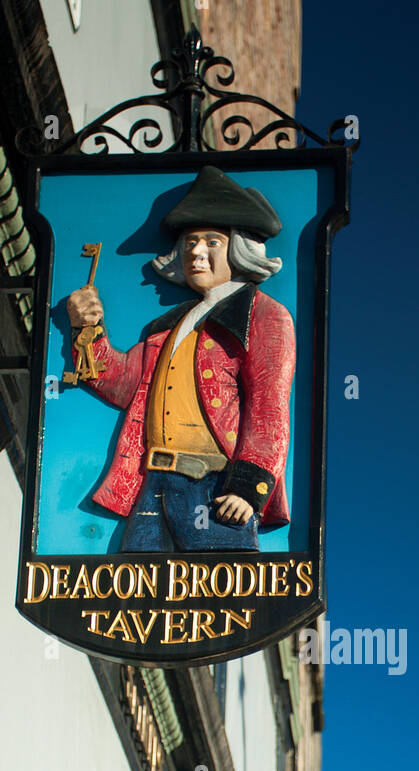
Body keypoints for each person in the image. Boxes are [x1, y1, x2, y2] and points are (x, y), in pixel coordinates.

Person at [66, 166, 295, 553]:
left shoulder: (264, 314)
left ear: (238, 247)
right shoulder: (169, 324)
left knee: (224, 599)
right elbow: (122, 384)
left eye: (211, 242)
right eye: (190, 242)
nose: (196, 253)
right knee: (137, 598)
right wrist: (87, 329)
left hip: (215, 487)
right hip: (153, 484)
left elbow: (269, 410)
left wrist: (247, 489)